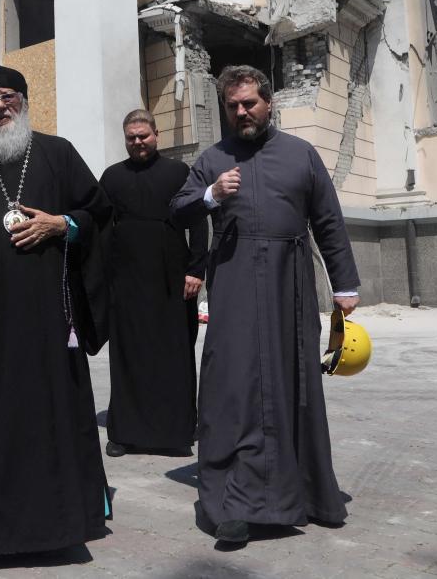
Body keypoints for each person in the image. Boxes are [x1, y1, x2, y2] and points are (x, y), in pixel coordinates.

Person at [171, 64, 360, 546]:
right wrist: (212, 195)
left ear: (268, 102)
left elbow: (329, 222)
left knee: (292, 379)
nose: (241, 112)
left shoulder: (301, 155)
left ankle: (311, 495)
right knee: (232, 384)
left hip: (289, 281)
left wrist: (345, 285)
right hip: (233, 281)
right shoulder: (213, 159)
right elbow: (177, 209)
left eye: (249, 103)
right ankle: (231, 503)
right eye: (232, 106)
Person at [0, 64, 112, 557]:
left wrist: (63, 224)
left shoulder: (58, 153)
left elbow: (99, 212)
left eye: (8, 97)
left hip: (48, 320)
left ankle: (61, 522)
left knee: (50, 411)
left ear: (25, 101)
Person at [99, 109, 207, 458]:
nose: (137, 142)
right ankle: (125, 432)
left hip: (171, 277)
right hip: (126, 280)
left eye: (143, 135)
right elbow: (101, 228)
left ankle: (176, 432)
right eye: (131, 137)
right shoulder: (112, 177)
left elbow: (199, 222)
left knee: (173, 350)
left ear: (156, 135)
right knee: (127, 354)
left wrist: (196, 270)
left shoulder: (178, 172)